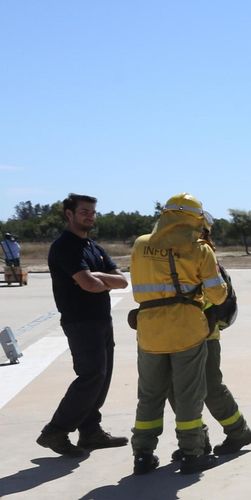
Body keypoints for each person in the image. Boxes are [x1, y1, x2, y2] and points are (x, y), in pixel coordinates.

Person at [129, 194, 227, 474]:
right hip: (187, 330)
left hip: (149, 331)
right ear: (195, 220)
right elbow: (218, 296)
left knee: (149, 396)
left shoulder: (141, 243)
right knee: (188, 396)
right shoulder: (200, 250)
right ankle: (192, 453)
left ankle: (142, 455)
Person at [38, 194, 129, 457]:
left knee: (102, 376)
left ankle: (90, 432)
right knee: (91, 376)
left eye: (93, 212)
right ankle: (55, 431)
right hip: (80, 321)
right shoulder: (65, 246)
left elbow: (121, 281)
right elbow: (89, 285)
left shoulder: (94, 248)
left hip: (102, 319)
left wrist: (96, 277)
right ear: (69, 214)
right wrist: (97, 281)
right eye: (84, 211)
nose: (90, 216)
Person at [166, 224, 251, 457]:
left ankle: (238, 431)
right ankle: (197, 440)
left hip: (205, 335)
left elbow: (219, 298)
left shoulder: (206, 260)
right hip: (174, 335)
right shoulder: (167, 260)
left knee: (210, 387)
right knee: (175, 390)